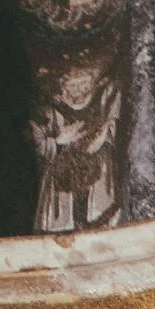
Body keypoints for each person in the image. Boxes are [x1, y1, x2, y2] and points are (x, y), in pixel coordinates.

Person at [31, 66, 123, 234]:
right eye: (73, 85)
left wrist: (103, 135)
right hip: (61, 177)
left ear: (92, 84)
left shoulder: (102, 103)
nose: (78, 90)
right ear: (63, 87)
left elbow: (113, 123)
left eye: (83, 84)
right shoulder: (49, 111)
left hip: (96, 170)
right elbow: (35, 142)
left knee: (99, 213)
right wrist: (58, 141)